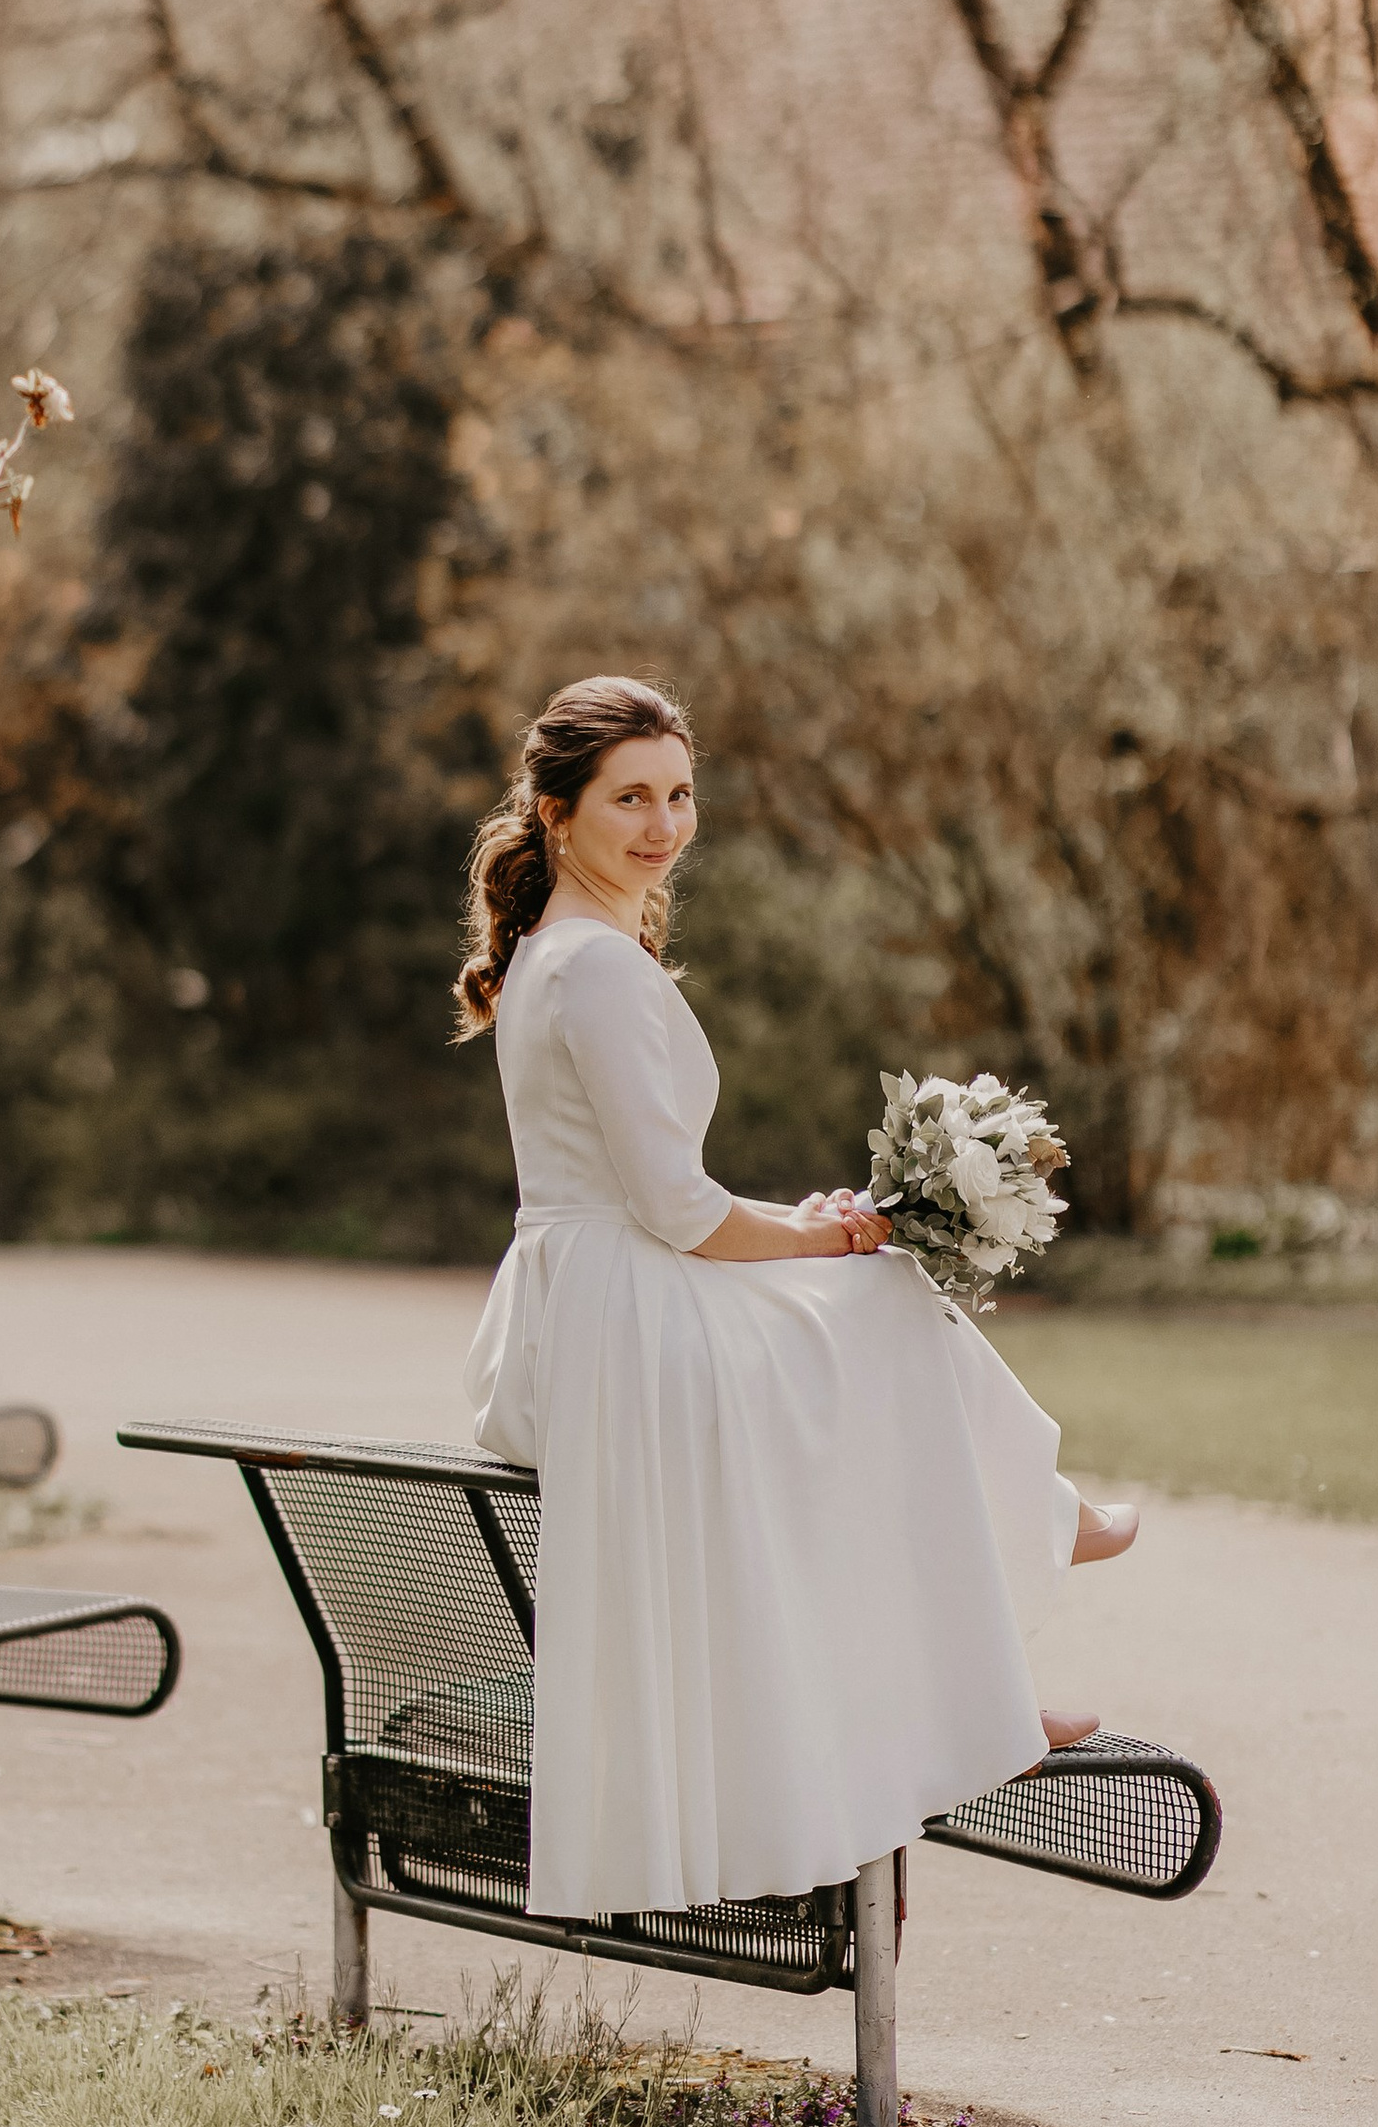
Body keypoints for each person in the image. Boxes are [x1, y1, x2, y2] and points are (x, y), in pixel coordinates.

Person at [458, 673, 1137, 1921]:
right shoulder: (597, 969)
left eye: (678, 795)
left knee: (861, 1315)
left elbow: (643, 1191)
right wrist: (819, 1239)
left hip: (587, 1302)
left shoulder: (560, 955)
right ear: (556, 812)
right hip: (628, 1314)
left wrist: (803, 1231)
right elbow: (674, 1209)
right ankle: (1020, 1584)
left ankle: (1002, 1632)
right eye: (629, 799)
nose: (663, 825)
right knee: (882, 1302)